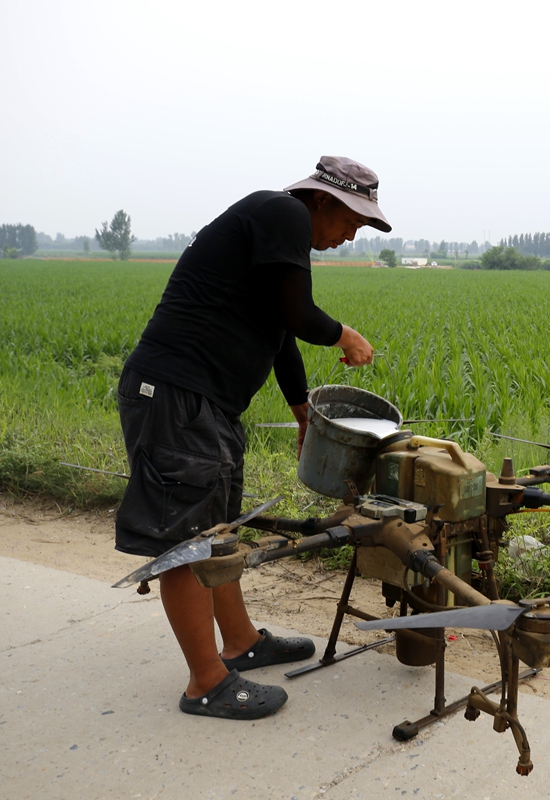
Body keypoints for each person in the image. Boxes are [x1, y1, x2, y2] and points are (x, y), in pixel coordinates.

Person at [114, 156, 388, 719]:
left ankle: (240, 643)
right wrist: (345, 335)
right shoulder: (282, 211)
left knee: (218, 531)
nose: (350, 235)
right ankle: (206, 683)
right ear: (322, 201)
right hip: (176, 396)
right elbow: (301, 316)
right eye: (351, 221)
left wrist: (302, 410)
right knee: (187, 544)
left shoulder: (277, 234)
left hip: (205, 402)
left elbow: (278, 328)